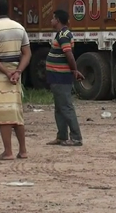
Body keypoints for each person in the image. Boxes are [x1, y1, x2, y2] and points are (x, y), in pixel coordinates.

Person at [0, 0, 32, 160]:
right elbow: (27, 53)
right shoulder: (19, 27)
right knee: (16, 112)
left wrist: (5, 72)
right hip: (16, 75)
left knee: (4, 114)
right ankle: (23, 150)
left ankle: (8, 151)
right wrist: (17, 71)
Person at [45, 10, 85, 147]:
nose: (51, 21)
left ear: (57, 20)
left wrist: (74, 70)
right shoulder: (62, 34)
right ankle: (62, 136)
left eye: (52, 18)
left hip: (60, 76)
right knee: (59, 107)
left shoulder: (63, 35)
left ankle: (76, 137)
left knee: (66, 107)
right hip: (56, 76)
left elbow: (68, 54)